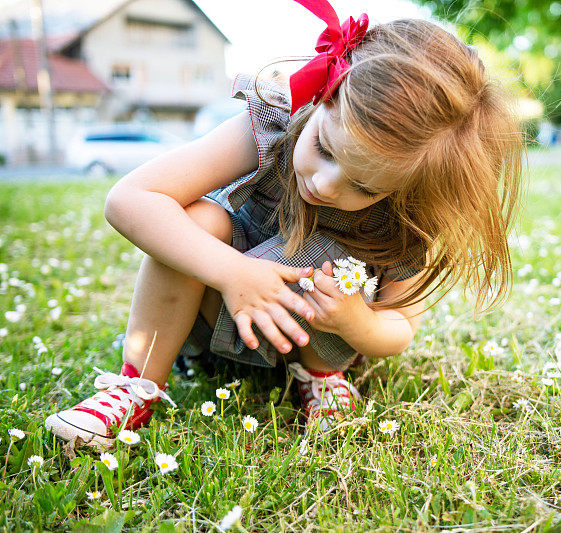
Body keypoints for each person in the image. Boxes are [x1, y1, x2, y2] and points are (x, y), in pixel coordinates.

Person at [44, 0, 524, 446]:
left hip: (309, 341)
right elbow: (129, 197)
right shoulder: (273, 126)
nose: (328, 185)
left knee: (339, 273)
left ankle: (321, 380)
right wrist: (231, 272)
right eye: (326, 149)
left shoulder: (407, 216)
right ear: (322, 97)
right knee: (199, 221)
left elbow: (399, 326)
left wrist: (356, 321)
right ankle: (138, 385)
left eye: (366, 187)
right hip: (213, 316)